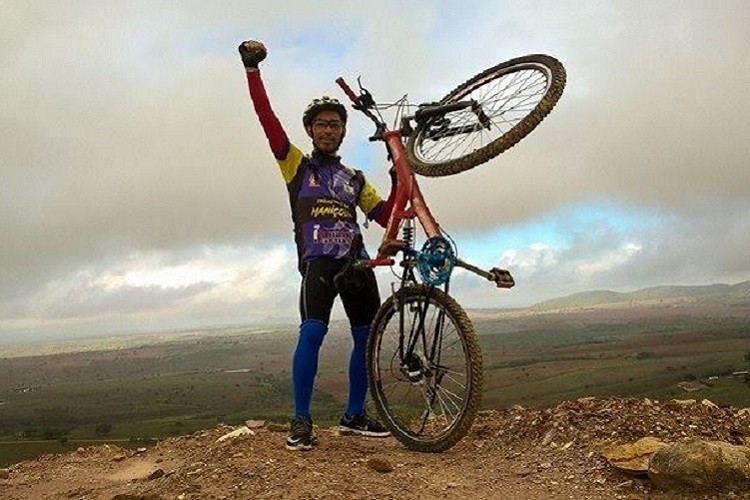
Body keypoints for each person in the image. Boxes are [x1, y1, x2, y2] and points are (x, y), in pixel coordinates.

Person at [238, 40, 396, 451]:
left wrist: (404, 170)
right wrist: (252, 72)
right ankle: (302, 419)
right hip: (319, 264)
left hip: (357, 264)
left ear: (344, 131)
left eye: (335, 124)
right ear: (311, 130)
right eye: (321, 124)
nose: (329, 129)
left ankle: (354, 415)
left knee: (368, 340)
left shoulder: (356, 178)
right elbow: (266, 119)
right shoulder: (296, 165)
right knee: (311, 335)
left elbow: (385, 214)